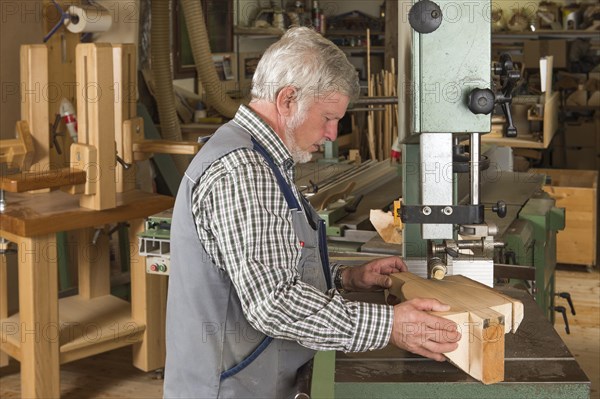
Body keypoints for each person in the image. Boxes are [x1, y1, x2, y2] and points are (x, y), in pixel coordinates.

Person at [164, 27, 460, 398]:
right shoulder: (243, 171)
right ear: (288, 99)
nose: (334, 134)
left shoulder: (264, 159)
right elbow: (273, 302)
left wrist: (346, 278)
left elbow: (266, 266)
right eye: (328, 118)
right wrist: (390, 326)